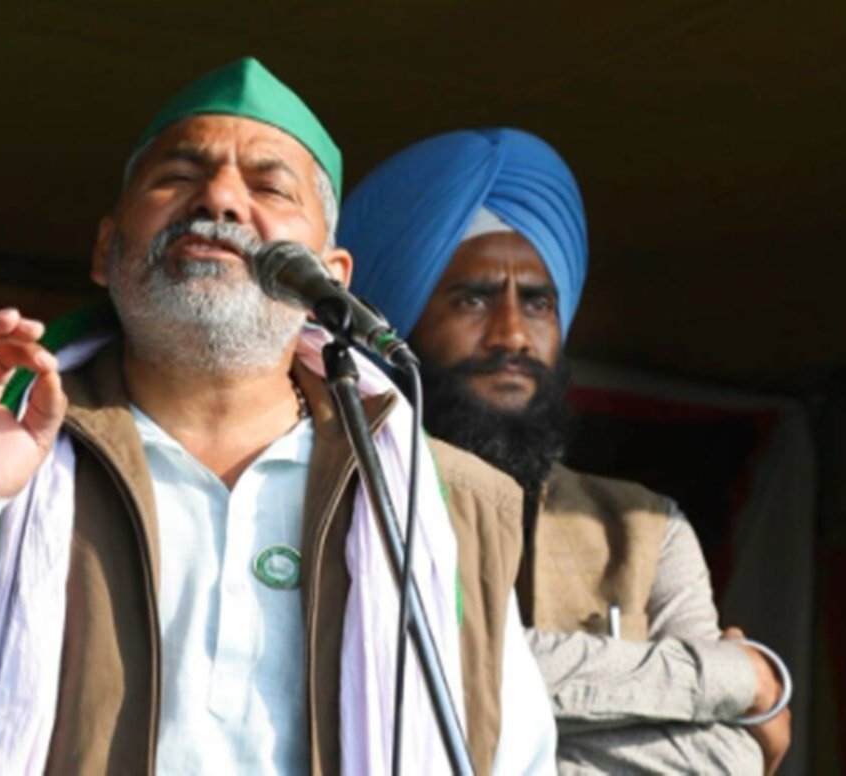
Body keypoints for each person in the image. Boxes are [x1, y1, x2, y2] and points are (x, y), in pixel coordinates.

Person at [0, 61, 556, 775]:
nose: (219, 197)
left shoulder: (441, 503)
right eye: (178, 176)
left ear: (330, 277)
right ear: (108, 251)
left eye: (267, 184)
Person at [338, 127, 793, 774]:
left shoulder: (644, 527)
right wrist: (733, 678)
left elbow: (732, 752)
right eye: (472, 299)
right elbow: (406, 675)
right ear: (399, 324)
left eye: (539, 302)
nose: (515, 334)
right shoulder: (345, 499)